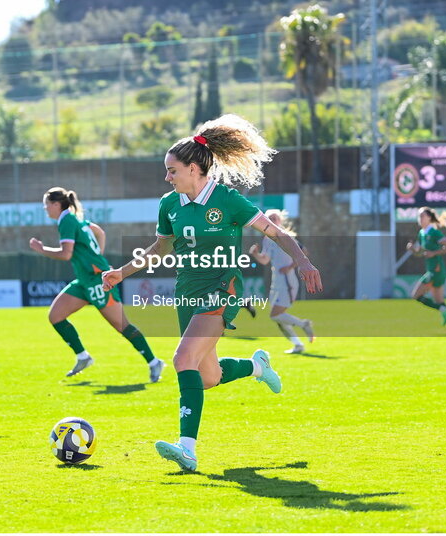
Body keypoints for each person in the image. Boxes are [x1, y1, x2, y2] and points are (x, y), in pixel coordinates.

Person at [101, 114, 323, 471]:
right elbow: (159, 249)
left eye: (172, 170)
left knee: (181, 361)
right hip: (187, 291)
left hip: (223, 289)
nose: (167, 177)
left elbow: (275, 232)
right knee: (208, 377)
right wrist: (121, 272)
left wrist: (303, 261)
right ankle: (256, 366)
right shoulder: (169, 204)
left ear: (193, 168)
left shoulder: (229, 200)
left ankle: (187, 448)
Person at [29, 187, 165, 382]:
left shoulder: (67, 219)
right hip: (85, 280)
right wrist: (97, 256)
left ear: (56, 204)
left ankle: (154, 362)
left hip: (97, 281)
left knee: (122, 326)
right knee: (56, 316)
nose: (45, 209)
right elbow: (99, 232)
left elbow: (66, 253)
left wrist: (41, 249)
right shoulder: (75, 218)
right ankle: (83, 357)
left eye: (46, 205)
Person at [248, 209, 315, 353]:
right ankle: (298, 344)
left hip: (287, 280)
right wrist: (256, 255)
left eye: (274, 218)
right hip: (276, 282)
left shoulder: (286, 236)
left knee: (276, 315)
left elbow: (304, 252)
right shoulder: (267, 238)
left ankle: (304, 324)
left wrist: (290, 266)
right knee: (277, 318)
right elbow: (265, 260)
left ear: (280, 221)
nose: (272, 220)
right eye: (269, 218)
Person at [406, 207, 446, 336]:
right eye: (419, 216)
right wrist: (413, 250)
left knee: (416, 295)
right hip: (433, 270)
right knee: (439, 301)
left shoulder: (434, 233)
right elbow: (421, 252)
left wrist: (434, 252)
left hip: (435, 270)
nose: (419, 219)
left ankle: (441, 309)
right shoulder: (422, 233)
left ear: (429, 218)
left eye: (422, 216)